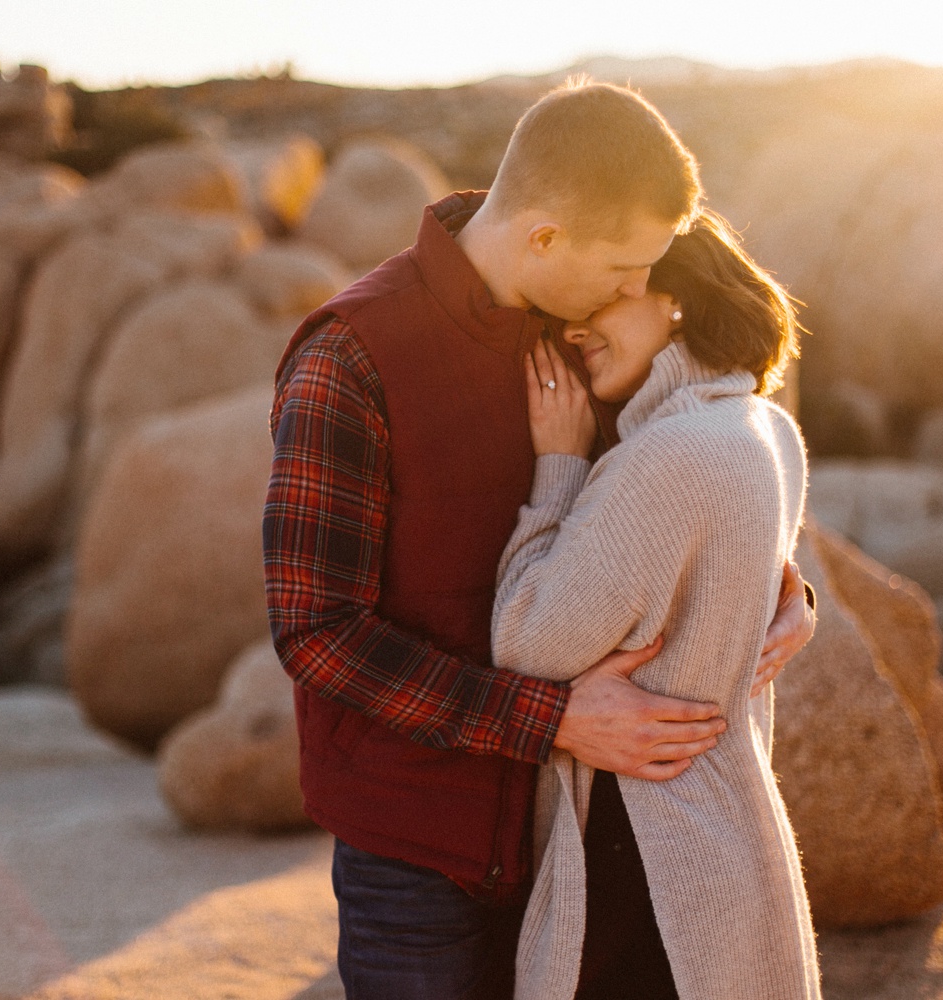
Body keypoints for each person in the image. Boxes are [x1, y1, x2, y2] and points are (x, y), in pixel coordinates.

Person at [264, 81, 816, 1000]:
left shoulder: (582, 335)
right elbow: (316, 632)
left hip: (569, 829)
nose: (643, 291)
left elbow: (670, 492)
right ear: (545, 238)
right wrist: (553, 719)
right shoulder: (351, 358)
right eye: (626, 269)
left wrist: (782, 592)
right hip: (420, 848)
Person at [493, 209, 819, 999]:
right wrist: (797, 597)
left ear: (671, 296)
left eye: (599, 302)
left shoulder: (665, 460)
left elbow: (524, 640)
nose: (574, 333)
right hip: (724, 844)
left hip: (645, 859)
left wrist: (560, 467)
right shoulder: (764, 427)